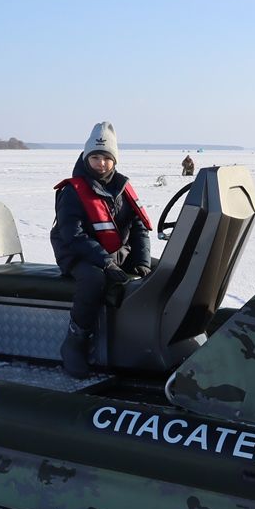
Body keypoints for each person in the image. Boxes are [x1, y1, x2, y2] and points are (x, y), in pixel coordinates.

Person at [50, 122, 152, 378]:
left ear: (114, 160)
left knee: (159, 269)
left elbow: (138, 228)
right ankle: (75, 340)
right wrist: (106, 262)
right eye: (95, 157)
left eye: (107, 158)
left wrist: (142, 261)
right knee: (94, 278)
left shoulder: (122, 188)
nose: (101, 163)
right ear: (86, 158)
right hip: (77, 254)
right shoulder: (72, 191)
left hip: (114, 253)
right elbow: (73, 235)